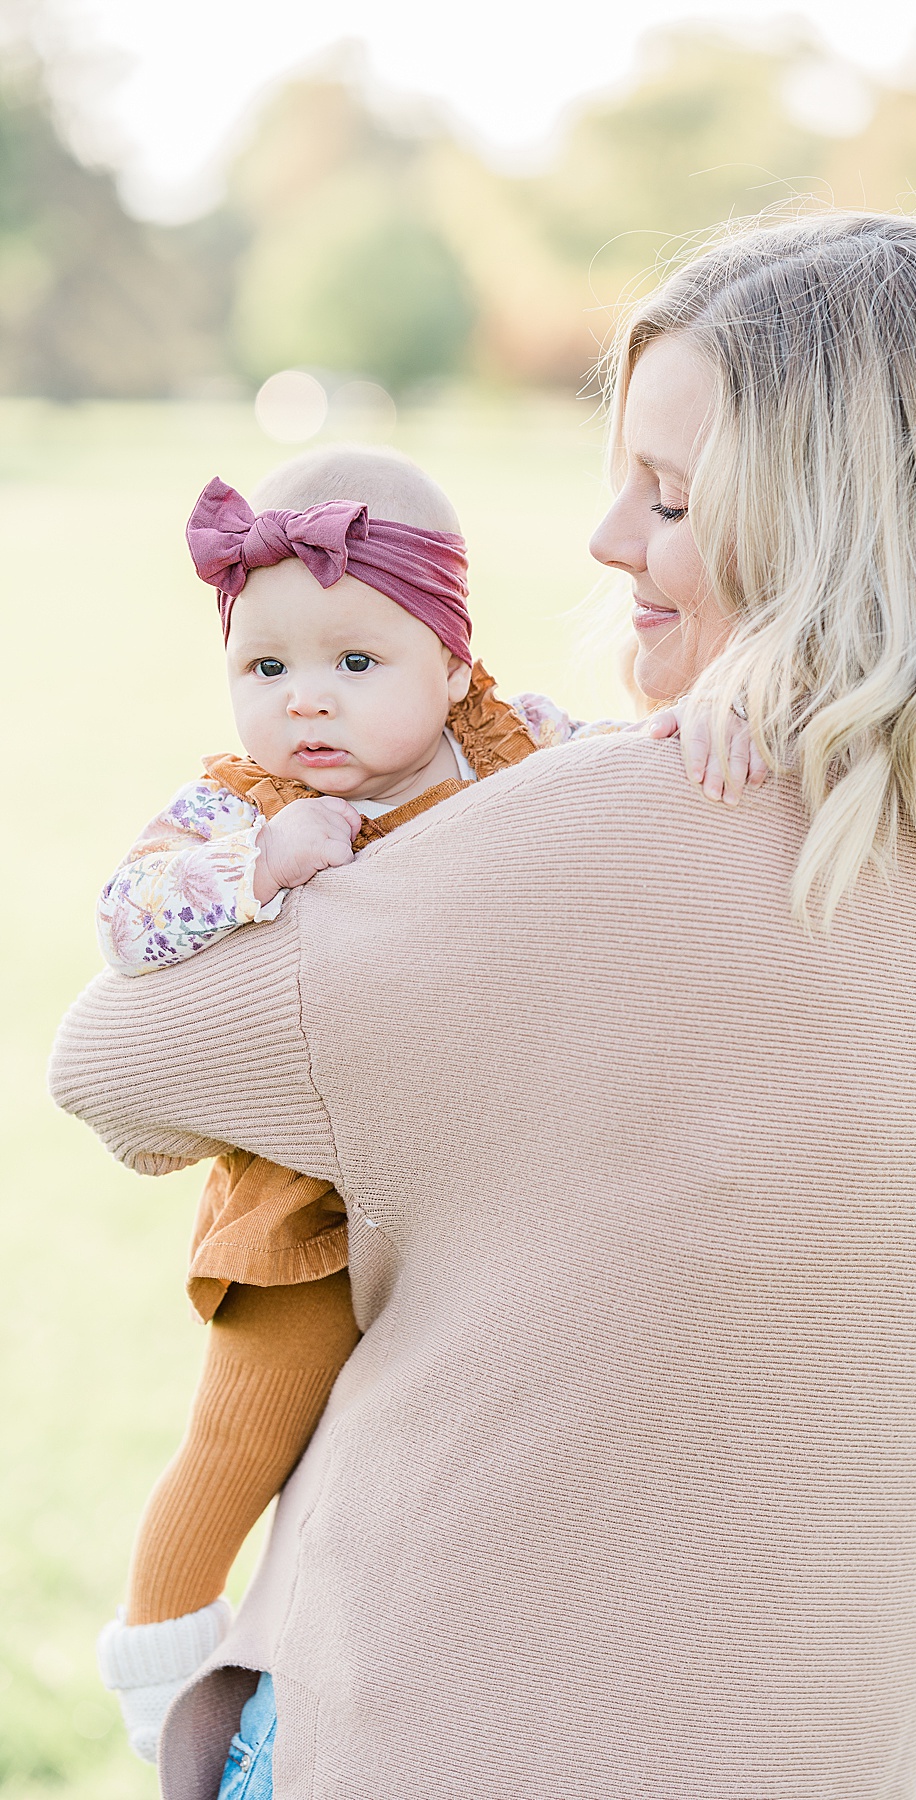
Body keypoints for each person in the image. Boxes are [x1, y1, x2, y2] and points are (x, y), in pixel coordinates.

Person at [51, 210, 916, 1800]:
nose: (609, 538)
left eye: (673, 496)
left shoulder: (595, 832)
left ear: (825, 529)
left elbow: (120, 1063)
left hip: (424, 1744)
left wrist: (298, 848)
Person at [90, 444, 756, 1768]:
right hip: (305, 1215)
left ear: (453, 664)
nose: (306, 705)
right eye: (266, 669)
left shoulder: (513, 752)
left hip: (478, 1194)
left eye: (356, 664)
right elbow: (126, 918)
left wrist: (705, 721)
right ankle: (159, 1670)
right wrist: (253, 870)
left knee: (409, 1474)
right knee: (241, 1441)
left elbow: (634, 782)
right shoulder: (239, 804)